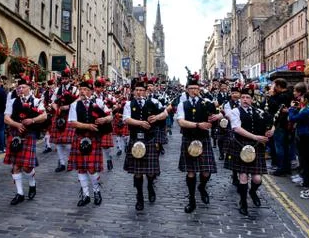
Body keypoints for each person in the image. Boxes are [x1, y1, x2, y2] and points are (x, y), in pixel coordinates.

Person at [123, 80, 168, 211]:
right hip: (135, 139)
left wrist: (157, 117)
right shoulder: (128, 104)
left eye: (141, 90)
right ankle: (139, 197)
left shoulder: (153, 102)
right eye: (137, 90)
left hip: (149, 139)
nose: (139, 92)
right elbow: (126, 119)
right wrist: (140, 123)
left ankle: (150, 186)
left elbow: (165, 113)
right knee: (137, 172)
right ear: (133, 92)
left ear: (145, 92)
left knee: (150, 172)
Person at [176, 73, 217, 213]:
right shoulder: (183, 104)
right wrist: (199, 125)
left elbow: (218, 114)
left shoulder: (207, 102)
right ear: (187, 90)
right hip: (189, 139)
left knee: (206, 172)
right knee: (191, 172)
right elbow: (181, 121)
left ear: (199, 89)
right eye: (191, 88)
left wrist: (216, 116)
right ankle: (192, 200)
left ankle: (202, 187)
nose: (194, 90)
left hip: (203, 139)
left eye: (196, 88)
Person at [225, 87, 270, 216]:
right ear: (240, 99)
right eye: (243, 97)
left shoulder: (259, 111)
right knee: (243, 176)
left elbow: (269, 123)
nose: (245, 100)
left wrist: (270, 131)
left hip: (256, 147)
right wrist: (256, 137)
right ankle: (243, 202)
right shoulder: (235, 111)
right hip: (241, 145)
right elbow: (236, 128)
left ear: (252, 99)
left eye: (248, 98)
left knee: (257, 179)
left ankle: (253, 192)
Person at [68, 79, 112, 206]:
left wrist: (104, 119)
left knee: (92, 169)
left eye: (86, 90)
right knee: (81, 169)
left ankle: (97, 192)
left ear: (91, 91)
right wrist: (88, 126)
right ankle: (86, 195)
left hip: (94, 138)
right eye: (81, 89)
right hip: (80, 137)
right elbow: (72, 123)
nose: (83, 92)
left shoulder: (98, 102)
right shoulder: (74, 105)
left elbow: (110, 116)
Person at [3, 78, 47, 205]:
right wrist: (16, 124)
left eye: (23, 87)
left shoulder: (37, 101)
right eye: (19, 87)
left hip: (29, 135)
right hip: (15, 134)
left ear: (29, 88)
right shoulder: (12, 101)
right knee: (16, 166)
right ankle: (20, 193)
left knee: (27, 167)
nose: (20, 89)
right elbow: (6, 118)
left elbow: (44, 116)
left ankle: (32, 183)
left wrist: (32, 120)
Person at [288, 93, 309, 199]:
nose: (299, 99)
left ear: (306, 99)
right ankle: (308, 185)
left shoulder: (307, 110)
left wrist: (292, 108)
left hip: (307, 139)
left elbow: (293, 118)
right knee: (307, 163)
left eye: (301, 98)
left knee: (308, 163)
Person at [51, 68, 79, 172]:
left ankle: (69, 161)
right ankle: (61, 163)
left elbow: (78, 102)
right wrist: (56, 108)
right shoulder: (57, 90)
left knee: (67, 143)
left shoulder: (75, 89)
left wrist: (68, 106)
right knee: (58, 142)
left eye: (66, 78)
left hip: (69, 116)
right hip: (59, 116)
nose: (64, 80)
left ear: (69, 78)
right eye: (62, 78)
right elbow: (53, 102)